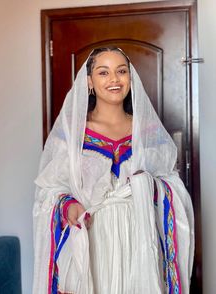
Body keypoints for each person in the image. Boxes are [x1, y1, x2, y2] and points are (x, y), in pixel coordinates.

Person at [33, 47, 194, 294]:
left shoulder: (148, 131)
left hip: (140, 240)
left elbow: (172, 184)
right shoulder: (72, 135)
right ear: (89, 81)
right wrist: (67, 205)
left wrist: (149, 187)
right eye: (103, 72)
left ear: (130, 78)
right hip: (92, 238)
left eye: (121, 71)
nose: (114, 80)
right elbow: (48, 189)